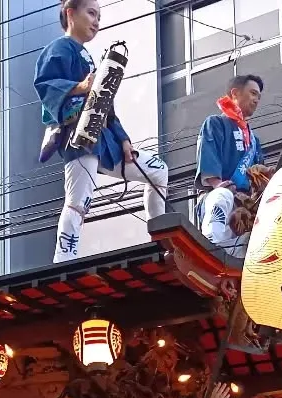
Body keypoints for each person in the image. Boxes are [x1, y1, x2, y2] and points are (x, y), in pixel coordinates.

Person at [35, 0, 168, 263]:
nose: (97, 21)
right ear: (70, 14)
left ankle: (161, 239)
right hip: (79, 138)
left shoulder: (87, 55)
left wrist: (125, 140)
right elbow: (45, 85)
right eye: (91, 13)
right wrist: (79, 87)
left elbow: (106, 105)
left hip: (106, 139)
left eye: (99, 15)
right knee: (77, 202)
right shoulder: (58, 49)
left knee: (158, 170)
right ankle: (63, 261)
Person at [195, 74, 269, 258]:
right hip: (220, 198)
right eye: (253, 93)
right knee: (221, 195)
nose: (256, 100)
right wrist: (216, 184)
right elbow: (209, 153)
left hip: (245, 206)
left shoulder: (254, 140)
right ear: (235, 93)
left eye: (258, 97)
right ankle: (211, 250)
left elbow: (260, 175)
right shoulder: (215, 123)